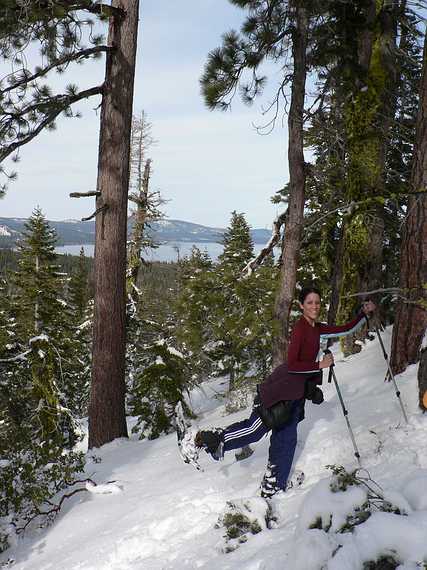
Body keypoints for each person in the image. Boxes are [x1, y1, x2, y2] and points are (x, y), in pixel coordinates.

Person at [180, 286, 375, 497]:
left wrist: (363, 314)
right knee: (253, 431)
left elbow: (344, 329)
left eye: (317, 302)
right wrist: (319, 366)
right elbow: (292, 364)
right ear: (301, 305)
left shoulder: (317, 328)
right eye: (309, 302)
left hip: (294, 397)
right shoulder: (300, 328)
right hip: (278, 393)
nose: (314, 306)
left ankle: (273, 486)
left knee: (286, 442)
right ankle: (197, 439)